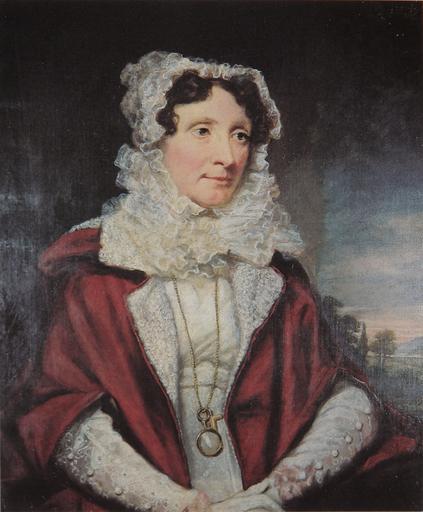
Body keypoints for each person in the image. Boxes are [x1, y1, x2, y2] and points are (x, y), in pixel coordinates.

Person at [10, 52, 419, 511]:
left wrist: (275, 492)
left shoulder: (275, 276)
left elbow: (345, 395)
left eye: (239, 135)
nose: (227, 157)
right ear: (157, 142)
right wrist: (175, 504)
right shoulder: (98, 269)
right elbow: (64, 418)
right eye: (202, 130)